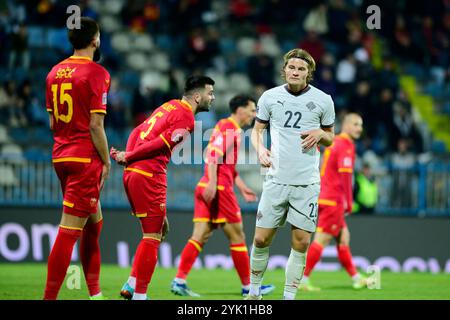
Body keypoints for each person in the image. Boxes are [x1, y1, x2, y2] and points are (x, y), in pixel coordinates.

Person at [112, 75, 215, 300]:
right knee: (151, 236)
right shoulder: (186, 118)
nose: (213, 98)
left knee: (160, 230)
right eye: (210, 93)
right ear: (197, 97)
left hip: (134, 174)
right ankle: (140, 296)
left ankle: (131, 285)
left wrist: (128, 158)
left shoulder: (169, 105)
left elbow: (137, 131)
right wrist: (129, 156)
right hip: (149, 174)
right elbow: (159, 144)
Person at [247, 48, 335, 300]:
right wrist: (260, 149)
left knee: (301, 243)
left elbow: (331, 138)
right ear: (284, 69)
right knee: (261, 239)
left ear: (309, 73)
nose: (295, 72)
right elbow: (256, 131)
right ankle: (254, 292)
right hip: (275, 179)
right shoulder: (269, 97)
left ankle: (289, 296)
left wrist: (321, 134)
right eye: (292, 68)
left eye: (301, 69)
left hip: (306, 183)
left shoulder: (323, 100)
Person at [170, 94, 275, 297]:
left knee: (199, 235)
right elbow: (212, 154)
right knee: (238, 237)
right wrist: (212, 181)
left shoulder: (226, 127)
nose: (255, 114)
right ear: (240, 109)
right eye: (252, 109)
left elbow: (226, 165)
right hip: (218, 189)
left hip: (209, 186)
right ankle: (249, 288)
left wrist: (242, 187)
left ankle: (179, 281)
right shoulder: (230, 127)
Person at [43, 17, 110, 300]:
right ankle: (49, 298)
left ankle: (95, 294)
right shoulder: (97, 72)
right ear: (95, 40)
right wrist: (106, 160)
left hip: (61, 156)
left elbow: (51, 123)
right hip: (85, 158)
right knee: (69, 231)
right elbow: (96, 125)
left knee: (94, 222)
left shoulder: (53, 72)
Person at [300, 113, 367, 291]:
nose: (359, 128)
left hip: (325, 196)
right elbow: (346, 175)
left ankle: (356, 277)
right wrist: (349, 201)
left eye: (360, 125)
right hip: (334, 199)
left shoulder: (334, 142)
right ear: (345, 125)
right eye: (355, 124)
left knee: (343, 238)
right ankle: (302, 279)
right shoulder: (346, 145)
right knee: (321, 240)